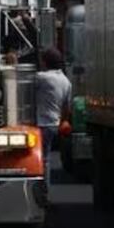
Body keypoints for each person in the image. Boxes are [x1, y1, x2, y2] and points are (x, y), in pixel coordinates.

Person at [36, 48, 73, 188]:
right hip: (54, 124)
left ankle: (40, 188)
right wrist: (63, 122)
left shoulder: (42, 78)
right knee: (46, 158)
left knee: (39, 159)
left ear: (45, 62)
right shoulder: (66, 81)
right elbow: (66, 107)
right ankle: (45, 189)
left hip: (41, 123)